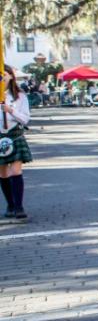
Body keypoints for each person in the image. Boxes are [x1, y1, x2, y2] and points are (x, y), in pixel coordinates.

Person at [1, 65, 31, 219]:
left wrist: (11, 110)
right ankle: (10, 205)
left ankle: (19, 207)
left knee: (15, 171)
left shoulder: (20, 96)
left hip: (14, 134)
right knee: (3, 172)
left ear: (11, 76)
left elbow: (25, 119)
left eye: (3, 75)